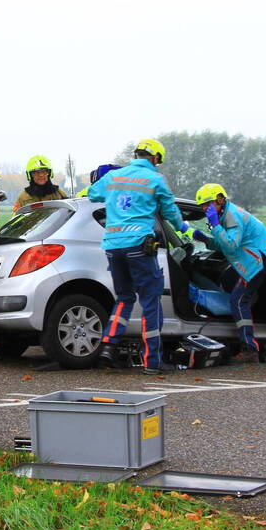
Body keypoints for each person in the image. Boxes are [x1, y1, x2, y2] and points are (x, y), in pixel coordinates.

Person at [88, 139, 184, 374]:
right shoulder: (155, 179)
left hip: (112, 245)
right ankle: (152, 362)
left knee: (124, 298)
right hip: (139, 244)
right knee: (150, 301)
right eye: (158, 160)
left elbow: (92, 194)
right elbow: (170, 210)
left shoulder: (114, 177)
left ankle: (109, 345)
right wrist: (182, 228)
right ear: (154, 158)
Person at [192, 183, 266, 362]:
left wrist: (216, 227)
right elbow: (222, 243)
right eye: (202, 206)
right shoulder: (223, 214)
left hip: (263, 259)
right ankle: (241, 339)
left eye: (207, 204)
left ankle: (250, 349)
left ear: (220, 199)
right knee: (227, 282)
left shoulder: (232, 217)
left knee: (239, 299)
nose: (205, 210)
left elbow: (231, 245)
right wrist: (206, 240)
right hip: (254, 256)